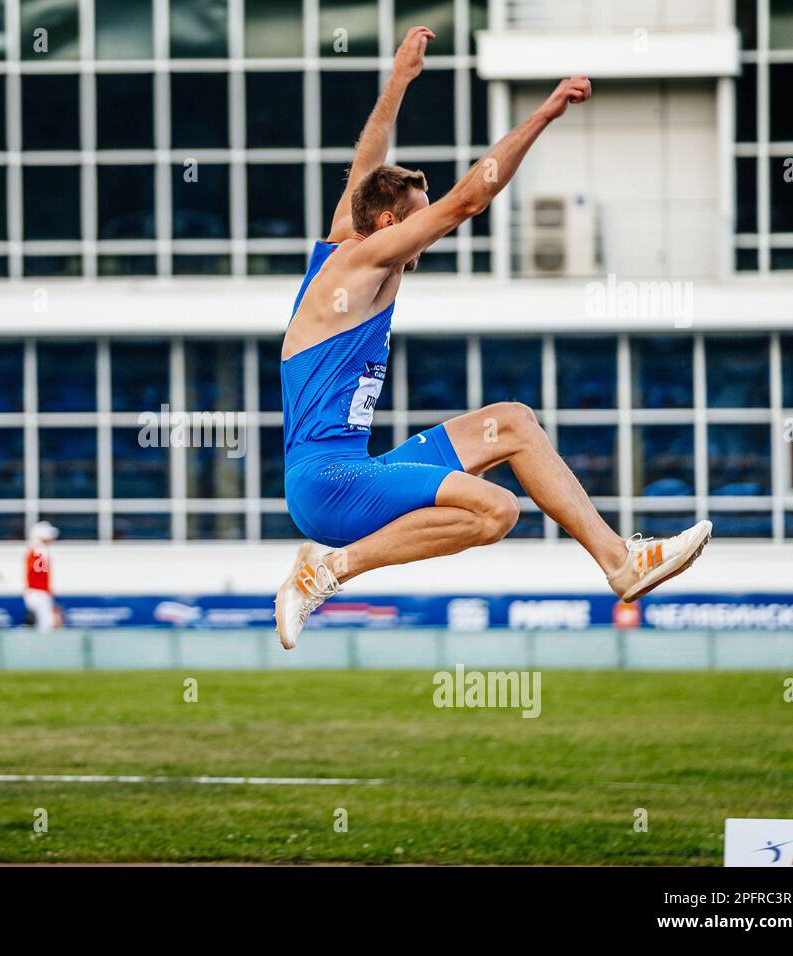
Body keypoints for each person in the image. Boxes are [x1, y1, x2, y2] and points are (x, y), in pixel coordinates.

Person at [273, 28, 711, 650]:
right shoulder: (361, 262)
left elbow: (366, 167)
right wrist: (546, 111)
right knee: (496, 510)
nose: (429, 229)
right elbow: (468, 199)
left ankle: (620, 561)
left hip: (349, 470)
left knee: (514, 423)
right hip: (328, 485)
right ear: (391, 225)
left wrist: (399, 79)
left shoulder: (345, 241)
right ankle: (328, 570)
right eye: (417, 218)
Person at [23, 521, 58, 632]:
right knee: (44, 623)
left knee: (41, 623)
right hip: (38, 592)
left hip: (37, 591)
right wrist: (46, 591)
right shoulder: (39, 551)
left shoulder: (37, 549)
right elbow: (37, 574)